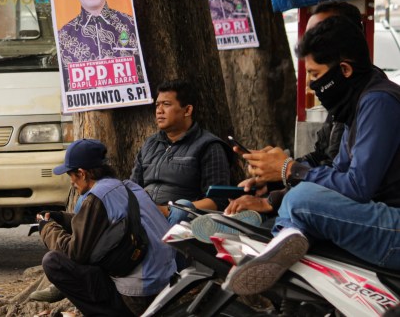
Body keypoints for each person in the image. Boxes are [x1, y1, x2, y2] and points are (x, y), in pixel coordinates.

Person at [222, 16, 400, 296]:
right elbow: (335, 173)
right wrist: (278, 183)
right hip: (379, 220)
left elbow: (356, 186)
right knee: (298, 196)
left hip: (394, 228)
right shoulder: (354, 104)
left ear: (344, 70)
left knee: (301, 200)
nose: (309, 87)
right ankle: (279, 242)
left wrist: (289, 170)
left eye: (315, 76)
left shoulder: (379, 102)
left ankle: (280, 242)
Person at [38, 138, 176, 316]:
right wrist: (60, 218)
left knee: (53, 262)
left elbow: (75, 253)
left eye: (70, 176)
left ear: (82, 173)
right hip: (167, 286)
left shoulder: (96, 196)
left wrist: (46, 227)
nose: (71, 182)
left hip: (138, 296)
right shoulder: (129, 187)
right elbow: (97, 222)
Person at [129, 80, 253, 227]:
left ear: (187, 110)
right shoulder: (150, 144)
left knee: (181, 207)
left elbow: (218, 201)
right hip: (145, 218)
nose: (159, 110)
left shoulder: (209, 146)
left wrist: (168, 210)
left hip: (181, 222)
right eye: (157, 105)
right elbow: (133, 187)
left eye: (166, 104)